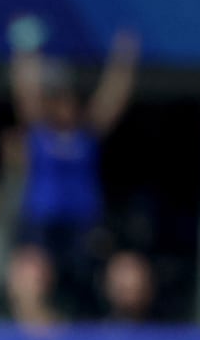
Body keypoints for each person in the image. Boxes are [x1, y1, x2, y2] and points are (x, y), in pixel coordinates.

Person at [9, 26, 139, 317]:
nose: (65, 107)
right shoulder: (40, 133)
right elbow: (25, 93)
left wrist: (123, 59)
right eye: (58, 101)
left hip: (83, 223)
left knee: (88, 284)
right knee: (33, 277)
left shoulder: (86, 135)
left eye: (69, 100)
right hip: (42, 223)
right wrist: (25, 53)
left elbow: (112, 99)